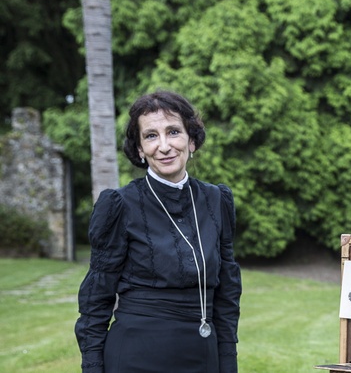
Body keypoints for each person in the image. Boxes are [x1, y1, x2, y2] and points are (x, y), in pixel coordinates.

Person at [75, 91, 242, 373]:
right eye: (151, 136)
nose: (164, 146)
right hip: (135, 356)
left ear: (191, 140)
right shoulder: (119, 205)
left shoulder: (217, 200)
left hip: (203, 355)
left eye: (173, 132)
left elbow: (227, 294)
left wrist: (228, 362)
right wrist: (92, 367)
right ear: (140, 149)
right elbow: (96, 298)